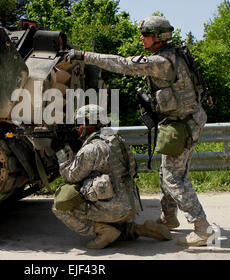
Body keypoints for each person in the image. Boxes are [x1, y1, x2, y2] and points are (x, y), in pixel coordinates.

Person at [65, 16, 213, 247]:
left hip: (183, 125)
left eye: (145, 35)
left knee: (174, 177)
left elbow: (122, 64)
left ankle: (202, 228)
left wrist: (84, 56)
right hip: (182, 121)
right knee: (168, 172)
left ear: (158, 37)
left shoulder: (161, 61)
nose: (141, 39)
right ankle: (169, 217)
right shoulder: (174, 54)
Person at [52, 104, 172, 249]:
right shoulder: (117, 140)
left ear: (90, 123)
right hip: (130, 205)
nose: (78, 128)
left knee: (60, 207)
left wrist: (60, 153)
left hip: (113, 208)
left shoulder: (91, 149)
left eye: (80, 123)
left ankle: (105, 231)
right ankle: (140, 229)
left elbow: (70, 176)